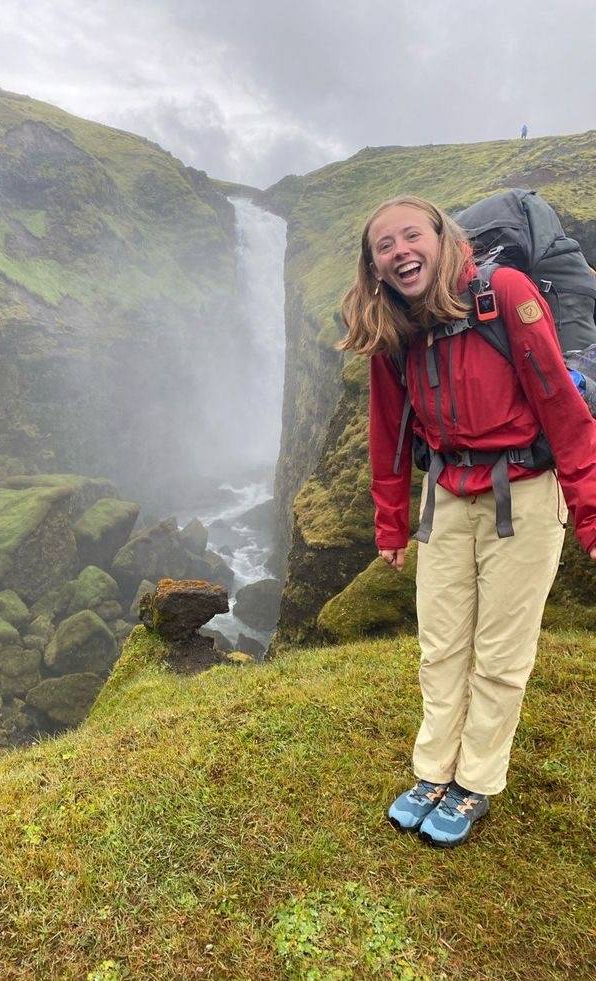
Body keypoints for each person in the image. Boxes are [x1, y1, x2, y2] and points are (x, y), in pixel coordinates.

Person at [337, 195, 596, 847]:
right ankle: (432, 772)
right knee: (441, 643)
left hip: (526, 491)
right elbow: (387, 432)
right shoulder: (389, 327)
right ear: (373, 267)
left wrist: (590, 512)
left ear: (440, 234)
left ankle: (474, 782)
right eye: (384, 246)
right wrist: (391, 523)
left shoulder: (502, 293)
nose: (400, 252)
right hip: (447, 492)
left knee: (501, 654)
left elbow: (564, 410)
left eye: (409, 236)